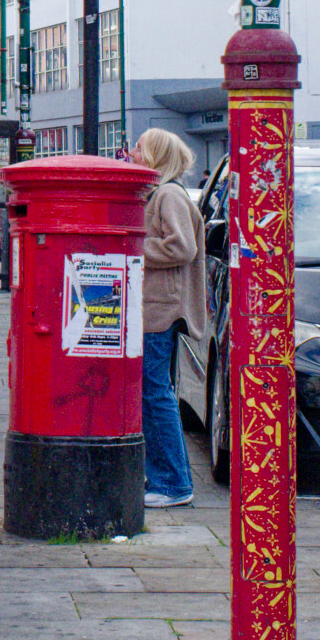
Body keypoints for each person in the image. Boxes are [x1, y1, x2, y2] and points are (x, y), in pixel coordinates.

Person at [130, 127, 208, 510]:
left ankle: (174, 483)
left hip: (160, 308)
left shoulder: (169, 195)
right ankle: (163, 476)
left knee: (155, 393)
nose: (132, 152)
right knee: (154, 392)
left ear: (156, 155)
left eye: (139, 147)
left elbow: (182, 247)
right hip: (154, 306)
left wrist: (132, 245)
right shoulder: (160, 193)